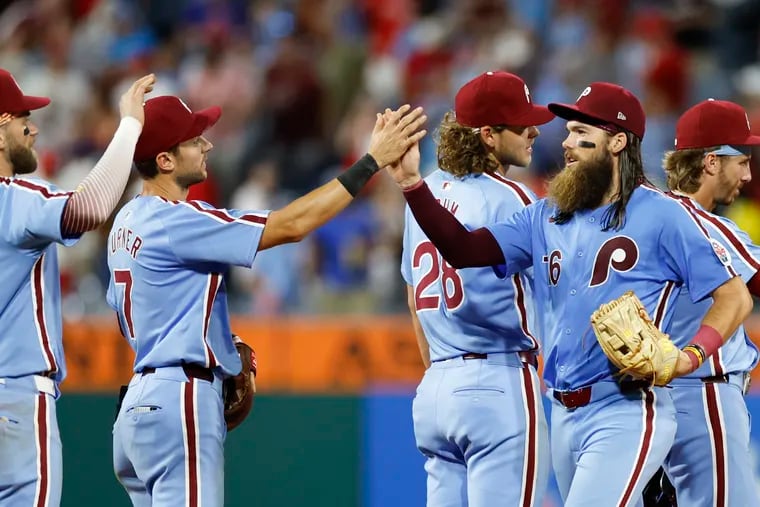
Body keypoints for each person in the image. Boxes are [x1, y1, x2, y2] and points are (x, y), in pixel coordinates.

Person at [385, 82, 753, 506]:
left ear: (617, 142)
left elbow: (735, 297)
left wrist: (692, 355)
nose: (567, 143)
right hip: (561, 408)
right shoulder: (546, 212)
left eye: (582, 133)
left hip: (626, 407)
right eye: (568, 131)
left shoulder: (662, 213)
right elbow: (463, 249)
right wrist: (413, 184)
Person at [107, 95, 426, 506]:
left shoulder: (125, 222)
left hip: (137, 405)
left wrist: (212, 340)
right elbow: (291, 225)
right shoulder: (176, 219)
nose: (207, 145)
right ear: (165, 161)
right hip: (178, 397)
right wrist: (371, 161)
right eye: (194, 139)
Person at [0, 69, 155, 505]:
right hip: (15, 399)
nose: (32, 128)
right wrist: (129, 124)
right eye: (20, 117)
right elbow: (88, 208)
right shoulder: (13, 196)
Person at [400, 71, 554, 507]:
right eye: (522, 123)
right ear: (488, 135)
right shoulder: (514, 198)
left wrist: (441, 372)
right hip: (497, 379)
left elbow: (414, 298)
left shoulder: (424, 194)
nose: (534, 130)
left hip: (435, 388)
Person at [653, 98, 760, 506]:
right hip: (702, 393)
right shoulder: (702, 223)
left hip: (658, 396)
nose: (748, 175)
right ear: (711, 162)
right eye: (742, 161)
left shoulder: (652, 215)